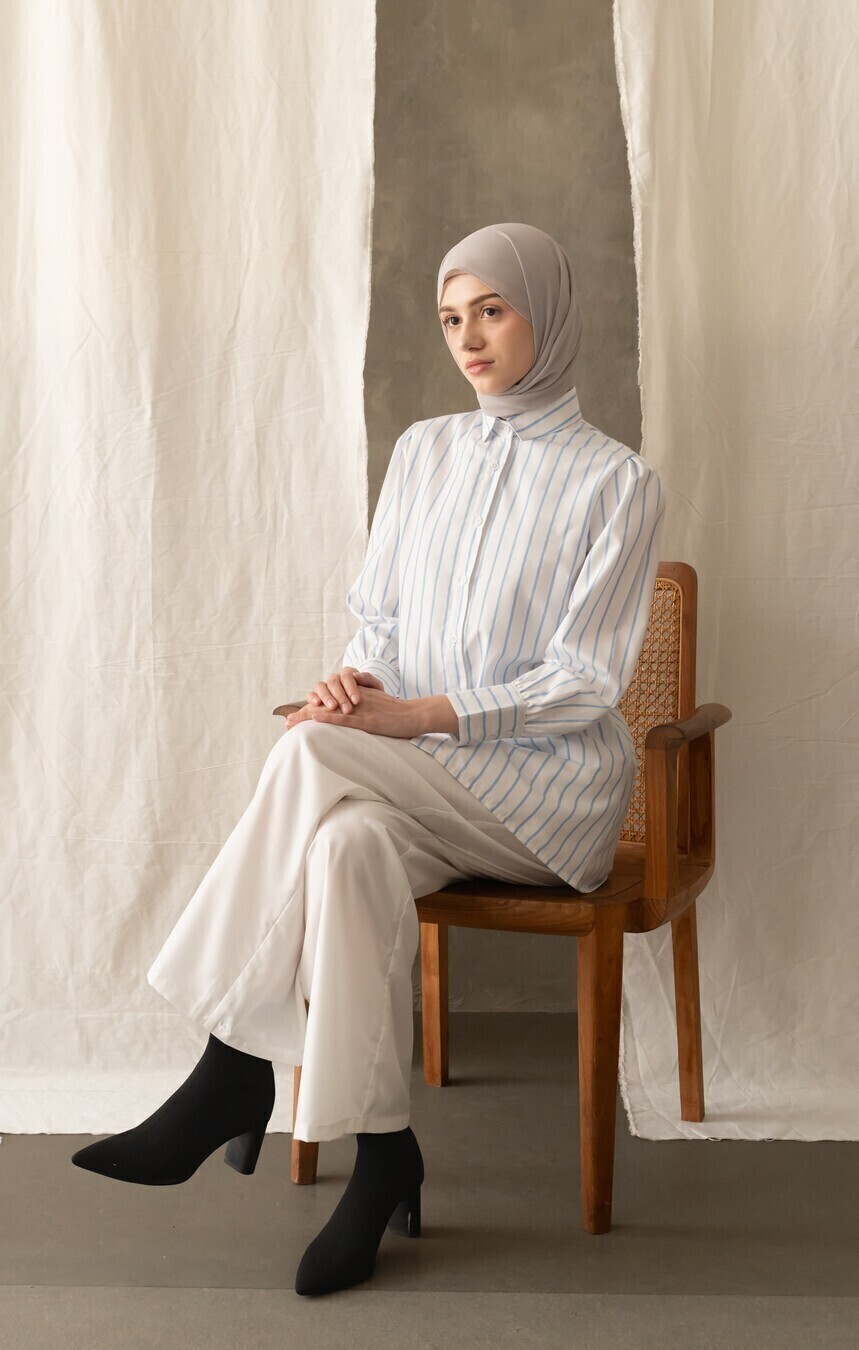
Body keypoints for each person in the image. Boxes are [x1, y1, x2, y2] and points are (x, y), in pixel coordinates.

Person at [70, 222, 665, 1297]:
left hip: (548, 797)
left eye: (492, 310)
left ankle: (229, 1066)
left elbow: (586, 681)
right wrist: (357, 684)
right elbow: (379, 625)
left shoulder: (615, 482)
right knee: (344, 846)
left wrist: (418, 716)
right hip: (420, 778)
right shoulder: (424, 451)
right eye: (450, 318)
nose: (468, 338)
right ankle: (383, 1148)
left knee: (311, 753)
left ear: (545, 312)